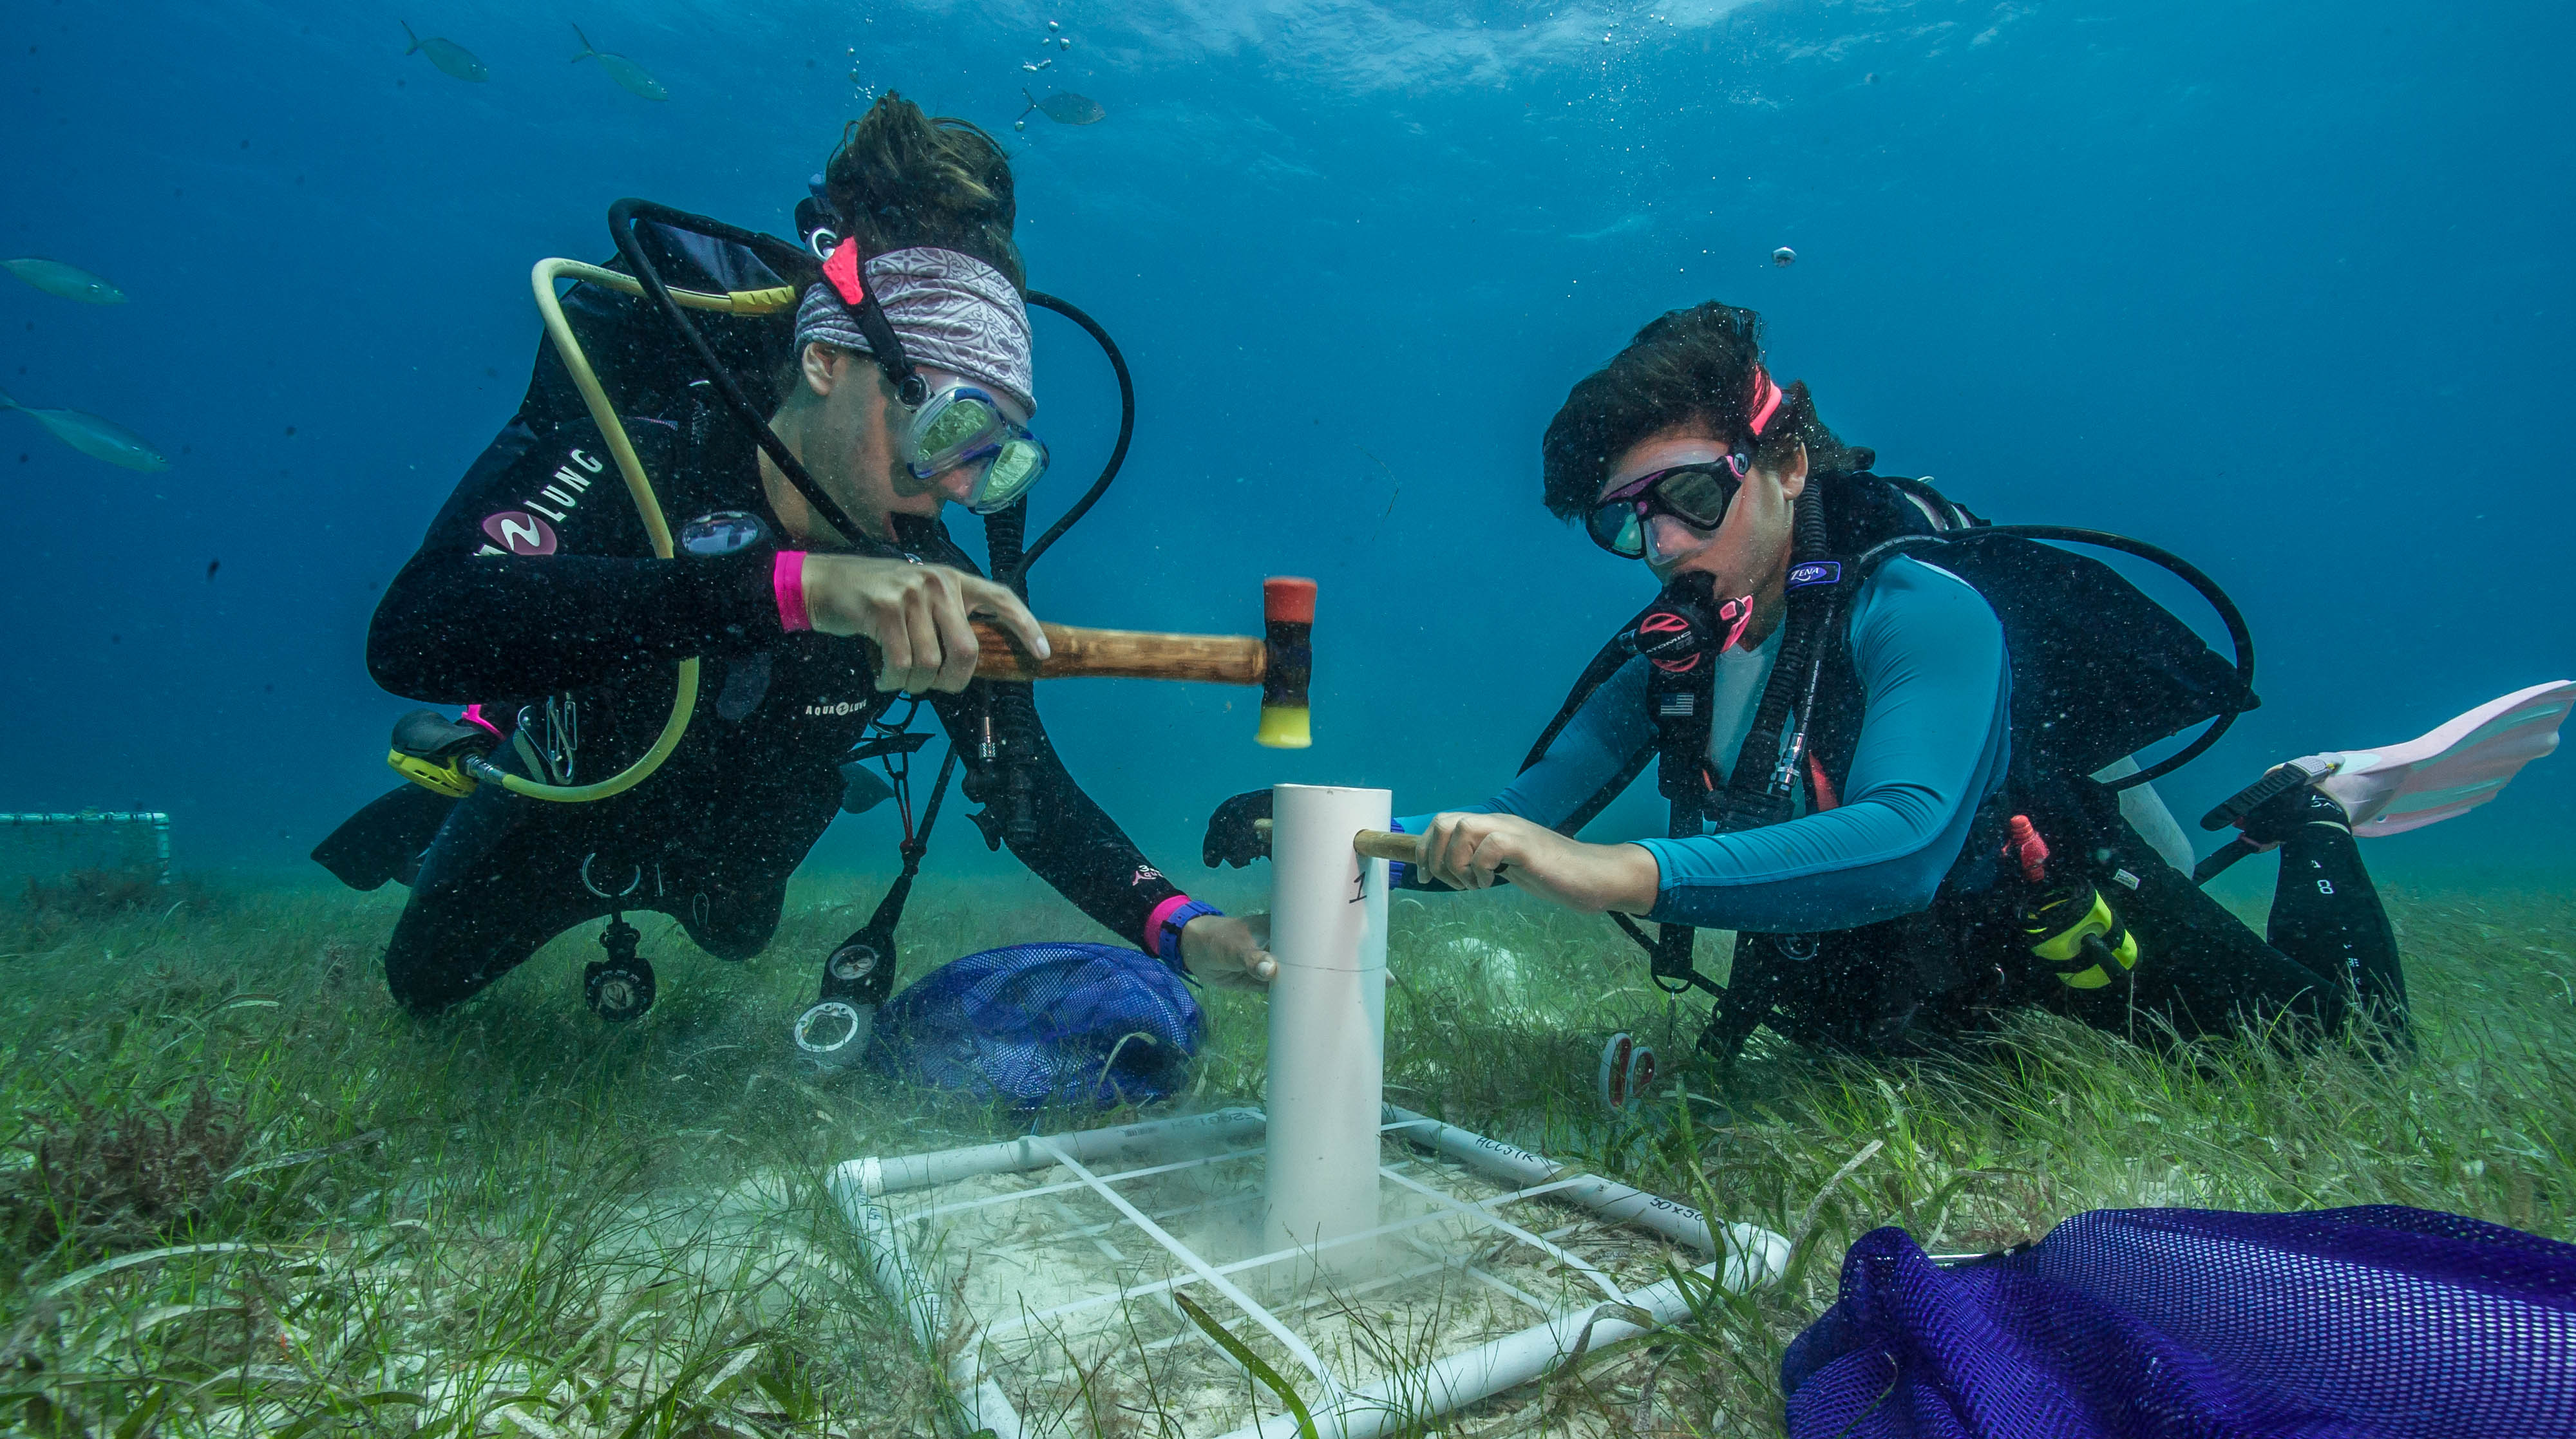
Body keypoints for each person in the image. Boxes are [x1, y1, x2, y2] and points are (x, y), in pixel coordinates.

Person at [1208, 303, 2404, 1057]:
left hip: (2049, 906)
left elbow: (1910, 840)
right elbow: (1518, 825)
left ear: (1783, 459)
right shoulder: (1669, 660)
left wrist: (1610, 871)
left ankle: (2307, 819)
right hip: (1891, 970)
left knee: (2341, 1051)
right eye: (1624, 526)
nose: (1664, 547)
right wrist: (1338, 844)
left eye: (1685, 497)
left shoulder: (1919, 604)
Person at [314, 95, 1273, 1016]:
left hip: (728, 862)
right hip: (567, 810)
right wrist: (798, 587)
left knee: (738, 930)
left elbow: (1028, 792)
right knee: (422, 978)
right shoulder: (654, 441)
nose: (953, 486)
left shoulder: (925, 570)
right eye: (952, 426)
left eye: (997, 460)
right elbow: (415, 632)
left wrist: (1182, 928)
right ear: (826, 360)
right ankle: (468, 775)